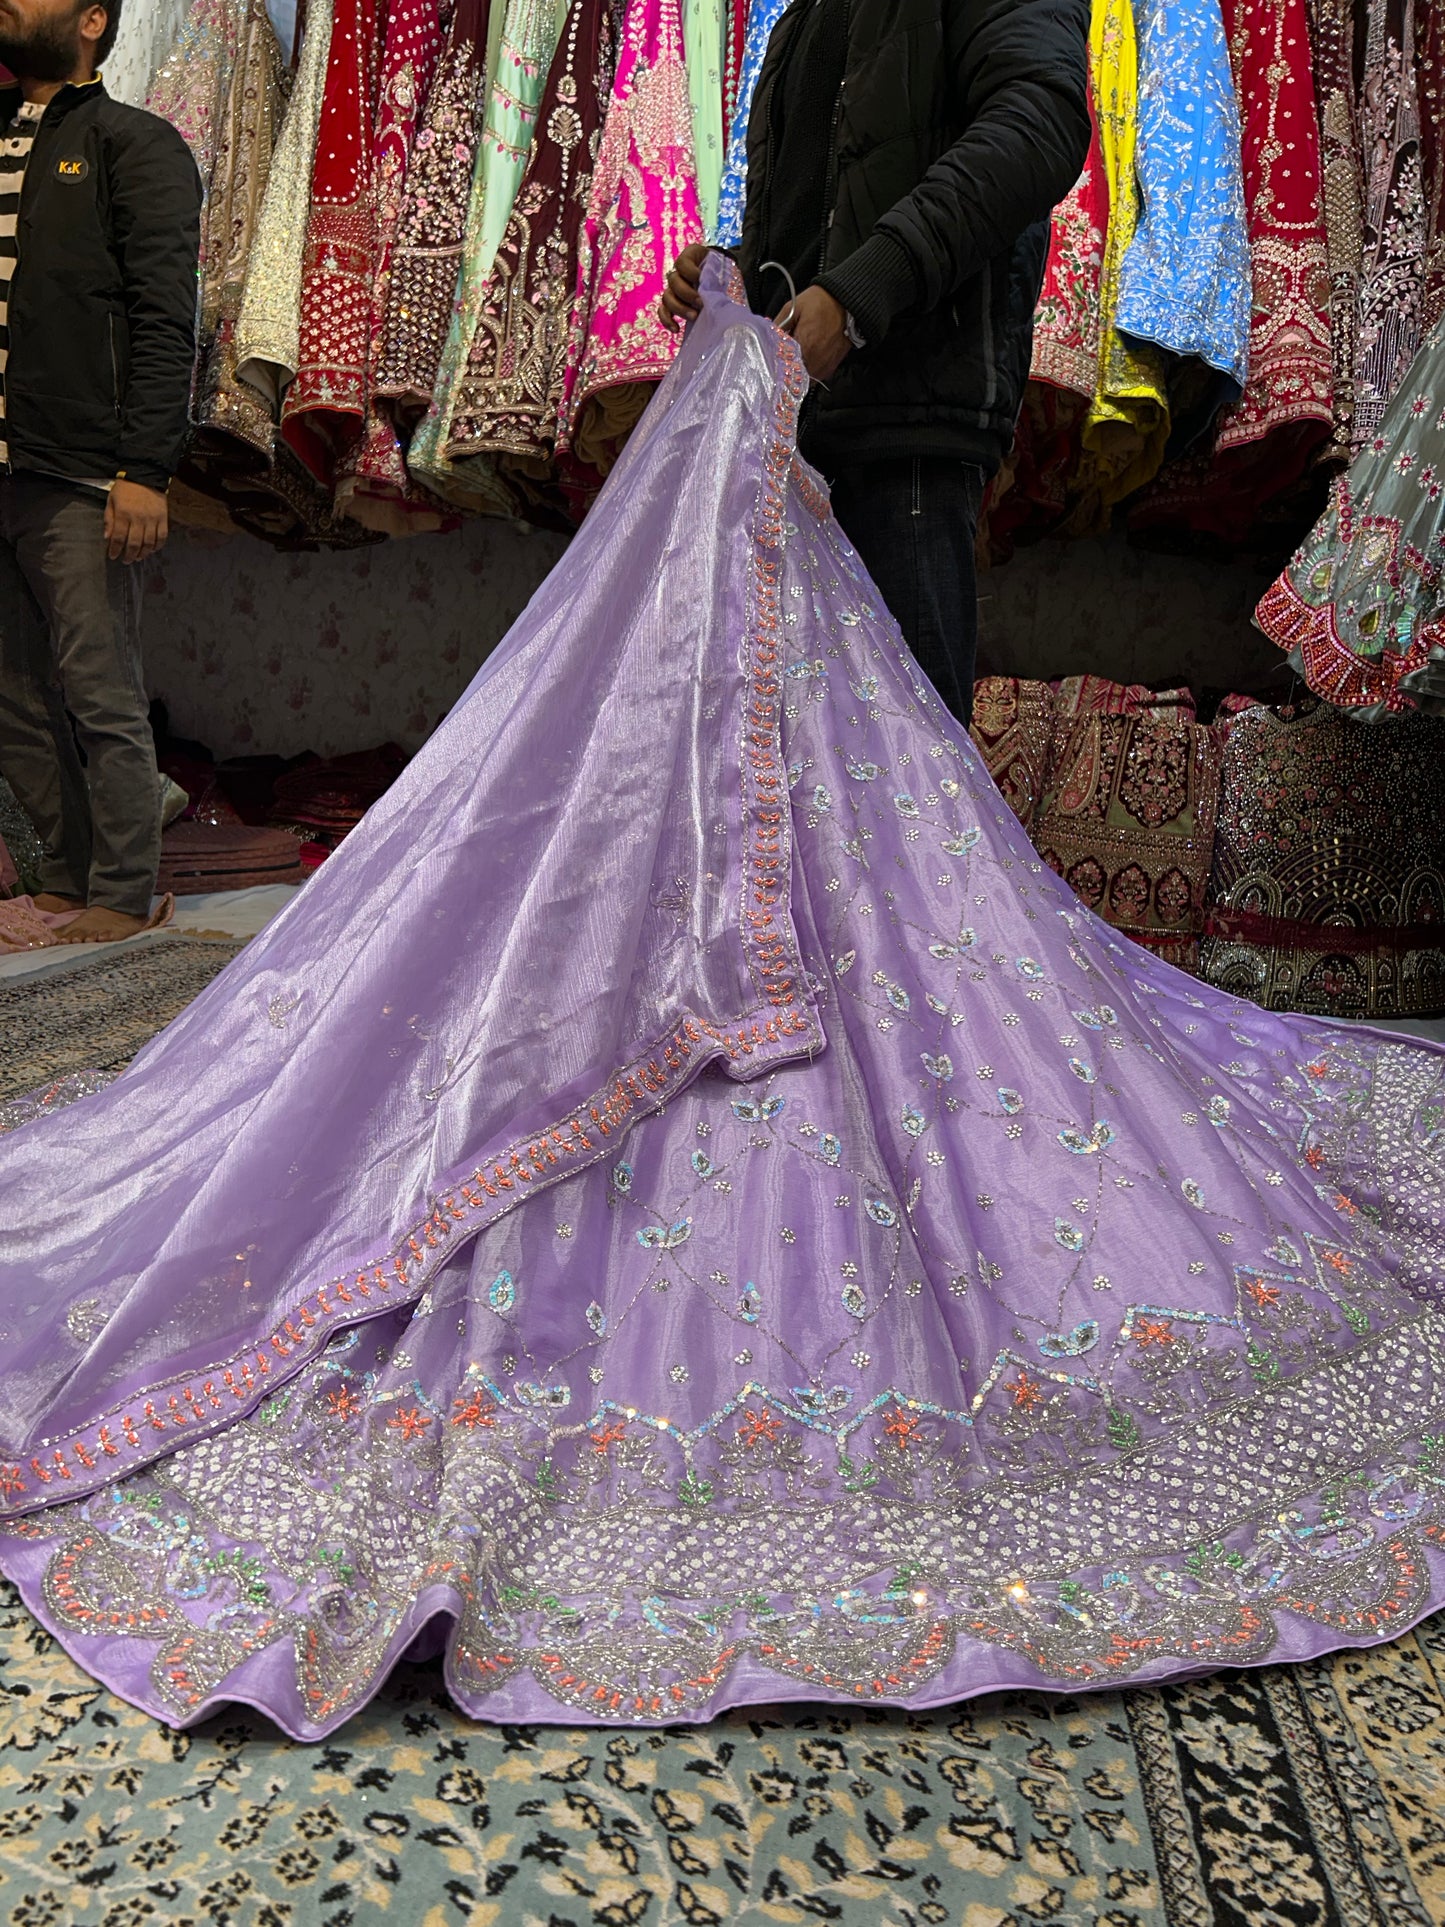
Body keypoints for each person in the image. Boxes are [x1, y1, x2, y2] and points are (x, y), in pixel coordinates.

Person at [0, 264, 1444, 1738]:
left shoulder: (990, 50)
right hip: (830, 387)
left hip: (907, 389)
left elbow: (1020, 128)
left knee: (898, 869)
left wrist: (861, 289)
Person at [662, 0, 1091, 727]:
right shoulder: (809, 15)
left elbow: (1037, 127)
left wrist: (858, 298)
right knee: (797, 785)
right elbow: (827, 211)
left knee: (909, 795)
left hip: (906, 437)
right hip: (800, 443)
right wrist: (735, 283)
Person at [0, 0, 200, 943]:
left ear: (91, 20)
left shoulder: (134, 142)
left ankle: (124, 890)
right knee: (11, 689)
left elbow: (166, 317)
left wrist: (144, 469)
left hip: (79, 468)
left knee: (98, 683)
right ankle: (65, 872)